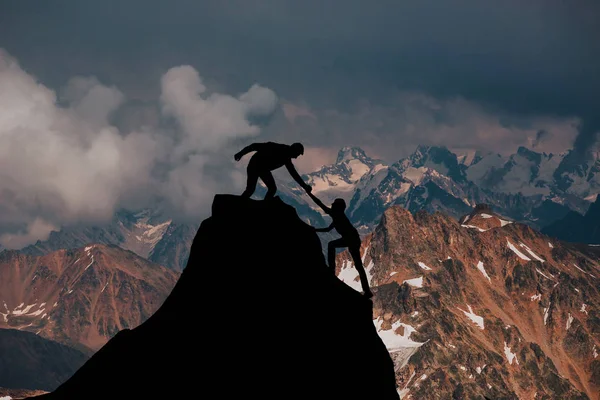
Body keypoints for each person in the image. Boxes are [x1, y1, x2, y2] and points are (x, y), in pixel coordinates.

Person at [308, 192, 373, 298]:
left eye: (334, 204)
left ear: (338, 208)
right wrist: (315, 230)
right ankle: (367, 291)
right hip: (352, 239)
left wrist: (309, 193)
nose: (332, 205)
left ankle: (332, 269)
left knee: (356, 265)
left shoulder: (337, 215)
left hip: (351, 239)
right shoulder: (338, 216)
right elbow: (328, 229)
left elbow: (319, 204)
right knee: (358, 266)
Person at [234, 142, 312, 199]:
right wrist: (240, 153)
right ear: (294, 150)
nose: (296, 157)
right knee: (250, 190)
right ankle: (239, 204)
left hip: (263, 169)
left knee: (272, 189)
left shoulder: (286, 158)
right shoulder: (276, 147)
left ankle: (265, 206)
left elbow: (294, 174)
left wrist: (305, 186)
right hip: (254, 166)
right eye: (297, 154)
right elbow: (254, 146)